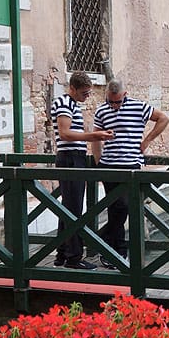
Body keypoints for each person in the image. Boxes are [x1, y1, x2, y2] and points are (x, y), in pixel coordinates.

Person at [92, 79, 169, 268]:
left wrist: (147, 141)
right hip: (109, 166)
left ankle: (107, 246)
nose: (114, 106)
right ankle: (117, 252)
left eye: (117, 102)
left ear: (124, 95)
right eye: (111, 102)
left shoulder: (138, 107)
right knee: (114, 210)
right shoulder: (102, 110)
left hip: (131, 166)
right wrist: (98, 164)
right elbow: (96, 137)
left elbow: (164, 119)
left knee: (124, 207)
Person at [50, 71, 115, 269]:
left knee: (69, 207)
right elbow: (65, 133)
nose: (87, 96)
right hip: (70, 159)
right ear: (73, 88)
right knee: (74, 209)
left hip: (75, 158)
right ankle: (73, 258)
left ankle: (62, 255)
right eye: (84, 93)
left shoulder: (72, 105)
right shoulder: (63, 104)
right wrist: (94, 136)